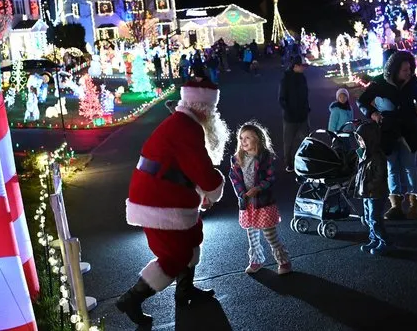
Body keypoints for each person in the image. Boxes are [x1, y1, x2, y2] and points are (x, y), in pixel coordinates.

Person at [116, 78, 230, 326]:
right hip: (158, 201)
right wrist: (212, 188)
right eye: (212, 109)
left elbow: (186, 167)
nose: (213, 114)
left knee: (191, 236)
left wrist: (201, 192)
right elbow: (201, 169)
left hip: (168, 194)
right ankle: (131, 300)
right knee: (174, 256)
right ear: (202, 107)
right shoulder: (187, 128)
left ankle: (185, 291)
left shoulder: (183, 123)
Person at [357, 51, 417, 220]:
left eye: (410, 69)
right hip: (388, 131)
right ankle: (395, 205)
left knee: (410, 167)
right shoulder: (380, 82)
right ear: (395, 69)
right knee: (392, 168)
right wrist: (372, 113)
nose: (408, 72)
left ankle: (414, 204)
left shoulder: (411, 81)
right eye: (404, 69)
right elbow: (362, 101)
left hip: (408, 130)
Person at [229, 122, 292, 274]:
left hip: (263, 203)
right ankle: (257, 260)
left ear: (257, 139)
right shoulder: (237, 159)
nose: (243, 141)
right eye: (241, 138)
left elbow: (271, 178)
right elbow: (234, 178)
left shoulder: (265, 157)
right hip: (248, 204)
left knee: (270, 235)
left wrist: (258, 188)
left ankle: (284, 261)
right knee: (252, 236)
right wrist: (241, 193)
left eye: (247, 138)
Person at [354, 121, 392, 255]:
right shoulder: (364, 154)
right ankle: (373, 239)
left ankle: (384, 242)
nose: (359, 141)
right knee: (368, 218)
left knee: (375, 218)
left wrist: (368, 186)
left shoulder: (377, 157)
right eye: (358, 138)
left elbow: (379, 177)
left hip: (376, 193)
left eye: (361, 138)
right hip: (367, 193)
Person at [278, 55, 310, 173]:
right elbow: (281, 99)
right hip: (290, 117)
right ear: (295, 66)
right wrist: (288, 111)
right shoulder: (285, 80)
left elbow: (306, 95)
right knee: (288, 142)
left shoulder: (302, 78)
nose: (304, 69)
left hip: (303, 116)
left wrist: (307, 108)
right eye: (302, 66)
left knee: (306, 139)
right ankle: (288, 163)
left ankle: (305, 161)